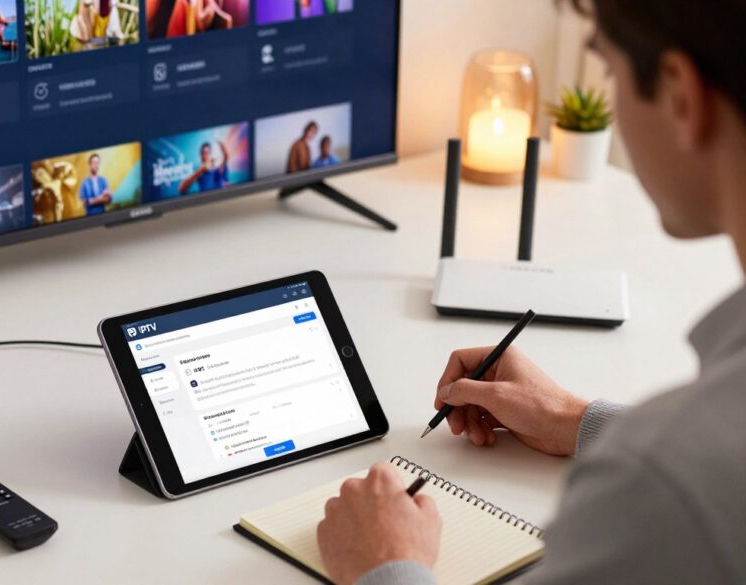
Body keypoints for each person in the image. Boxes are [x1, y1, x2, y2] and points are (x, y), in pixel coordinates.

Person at [316, 1, 746, 583]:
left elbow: (692, 475)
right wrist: (576, 419)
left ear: (681, 96)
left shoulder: (658, 490)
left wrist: (386, 561)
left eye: (611, 73)